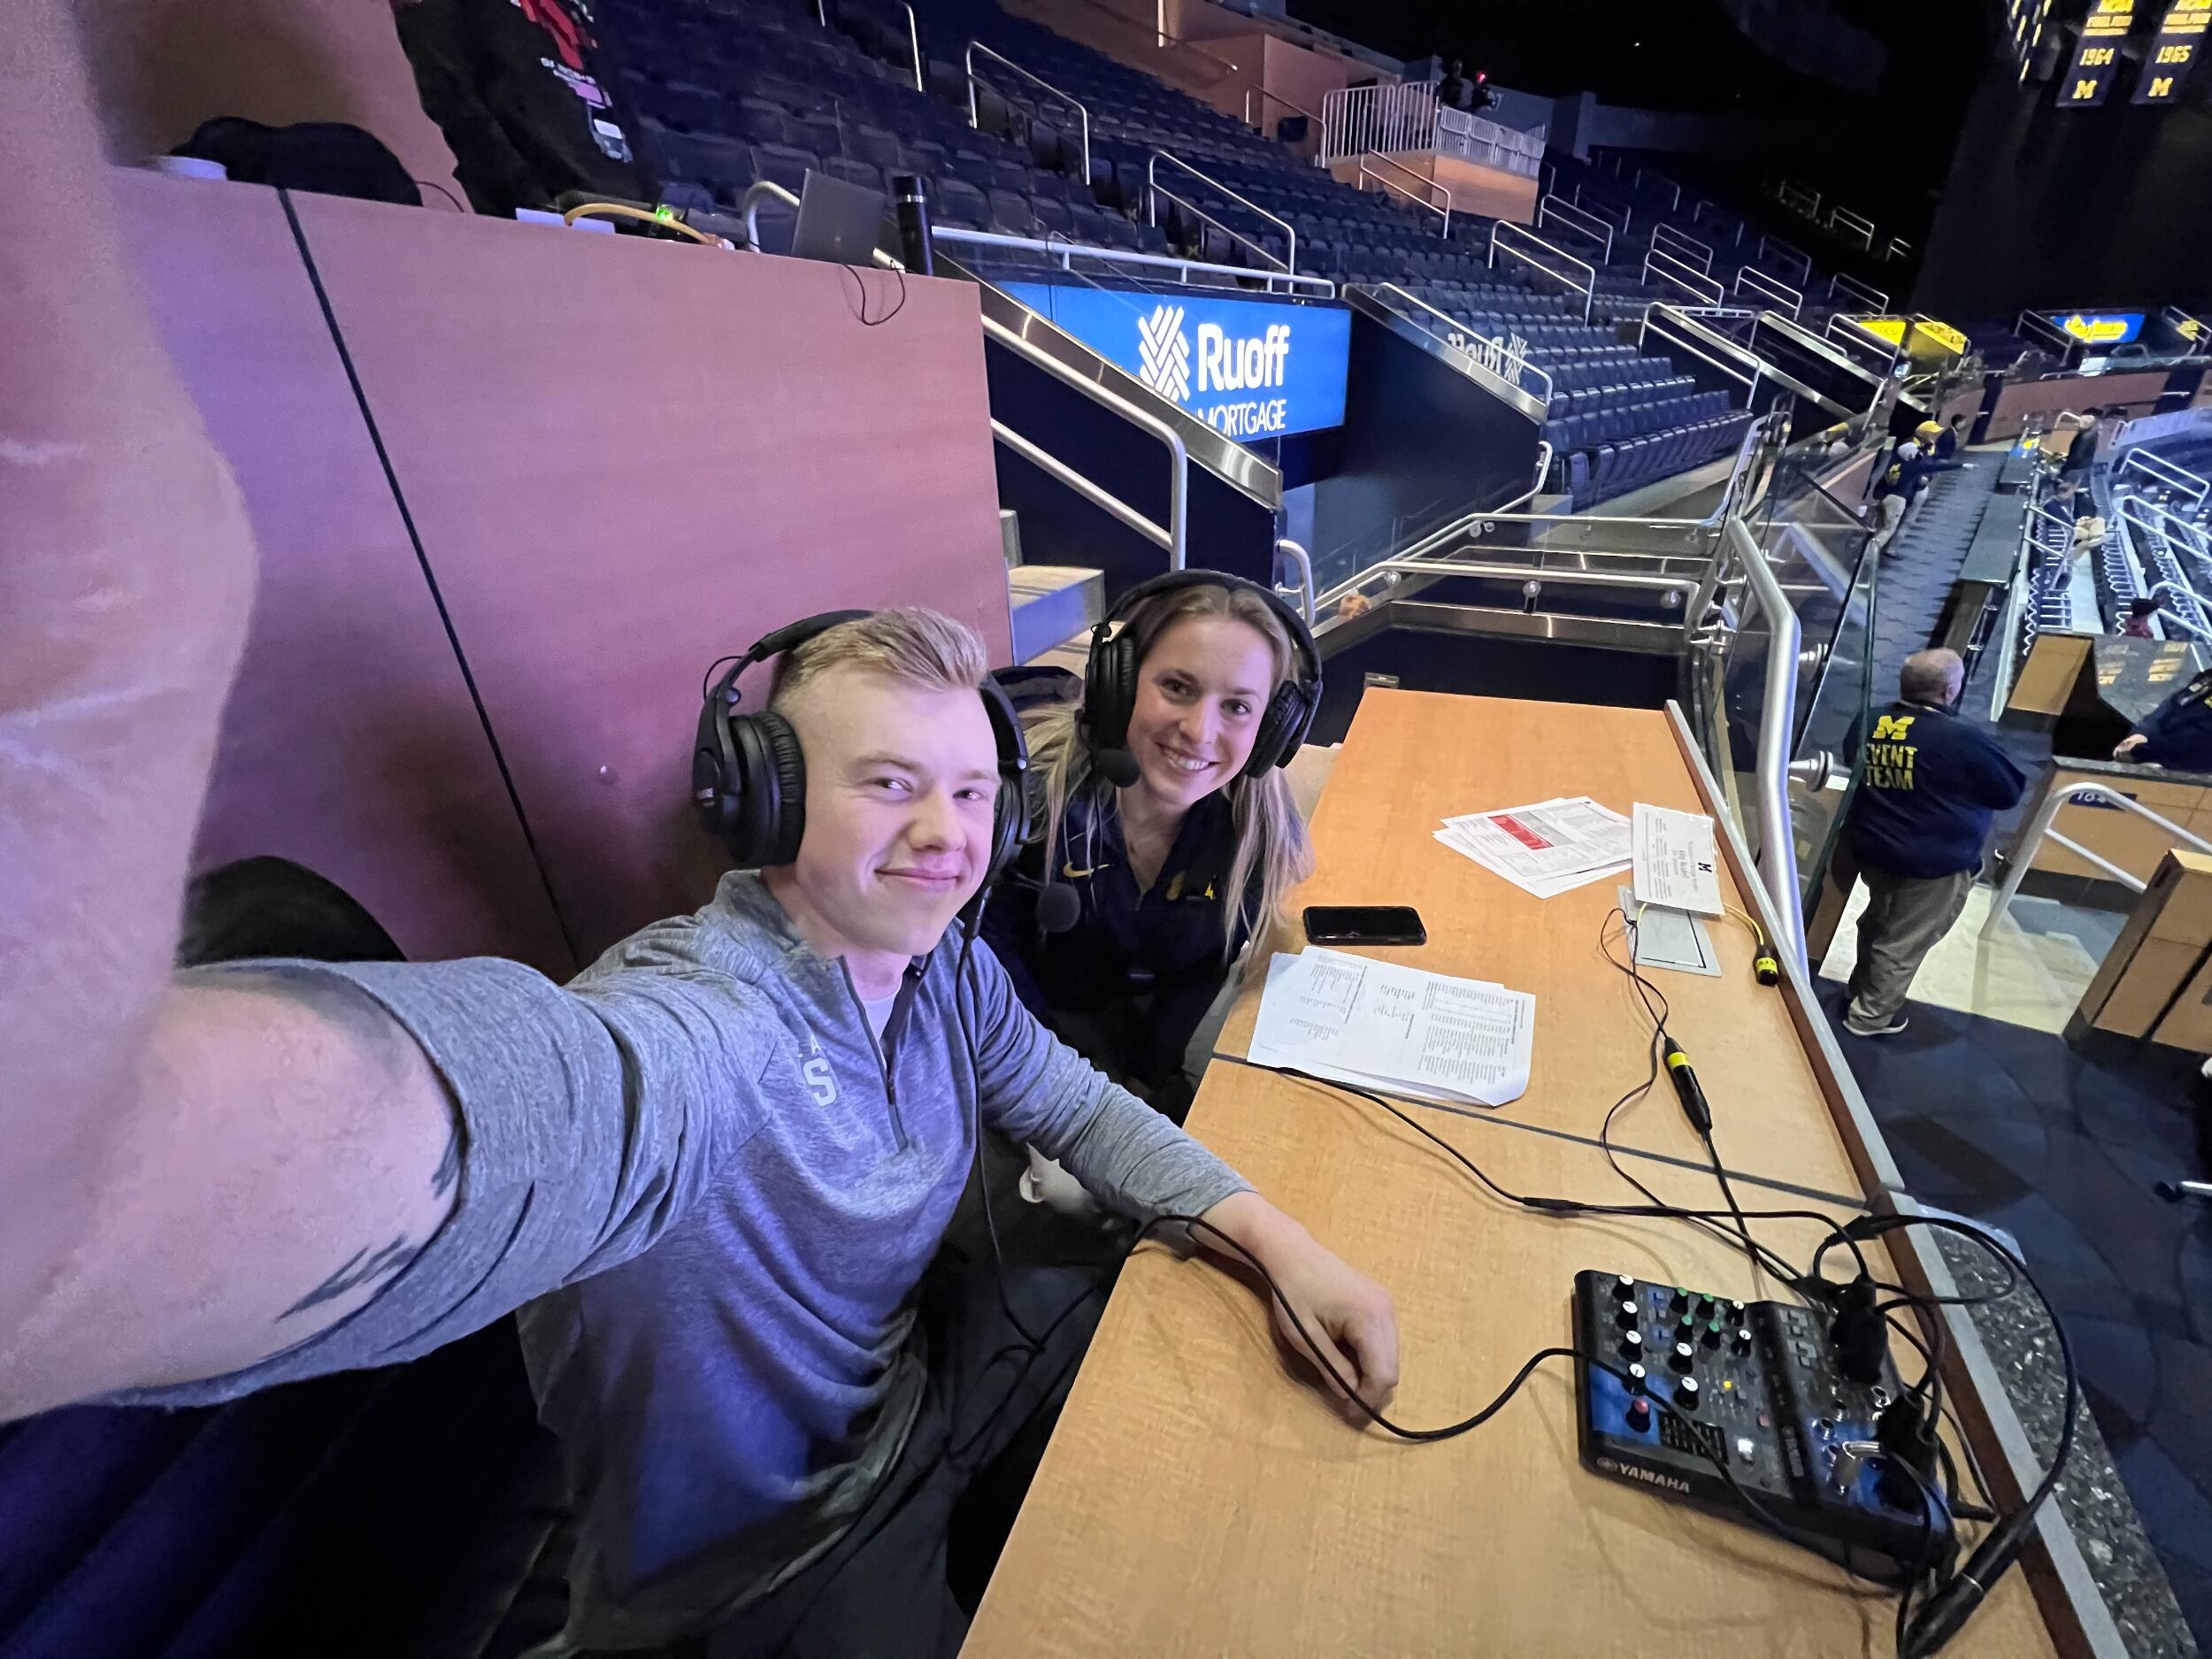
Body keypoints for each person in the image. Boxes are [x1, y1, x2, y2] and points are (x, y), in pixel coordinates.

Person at [2, 25, 1399, 1657]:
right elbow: (477, 1128)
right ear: (762, 794)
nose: (951, 836)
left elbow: (1072, 1099)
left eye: (969, 790)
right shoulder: (693, 1037)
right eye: (887, 785)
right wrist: (79, 1186)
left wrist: (1284, 1239)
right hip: (767, 1578)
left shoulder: (939, 975)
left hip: (923, 1400)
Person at [984, 574, 1317, 1121]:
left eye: (1237, 707)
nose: (1199, 730)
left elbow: (1202, 972)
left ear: (1272, 731)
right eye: (1178, 687)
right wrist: (1093, 1100)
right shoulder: (1026, 803)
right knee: (1072, 1194)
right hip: (1035, 1038)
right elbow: (995, 981)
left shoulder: (1257, 826)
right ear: (1118, 684)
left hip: (1140, 1033)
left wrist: (1151, 1080)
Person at [1839, 650, 2028, 1037]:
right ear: (1950, 690)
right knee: (1903, 942)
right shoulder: (1961, 739)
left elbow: (1853, 761)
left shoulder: (1869, 719)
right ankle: (1870, 1017)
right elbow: (2008, 791)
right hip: (1932, 862)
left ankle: (1861, 990)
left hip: (1874, 846)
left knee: (1879, 922)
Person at [2115, 665, 2212, 770]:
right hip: (2157, 761)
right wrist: (2142, 735)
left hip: (2184, 776)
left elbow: (2202, 747)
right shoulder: (2207, 678)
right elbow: (2172, 706)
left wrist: (2150, 749)